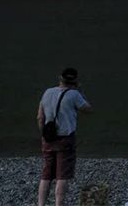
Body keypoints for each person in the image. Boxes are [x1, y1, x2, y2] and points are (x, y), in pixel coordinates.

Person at [36, 67, 91, 206]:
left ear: (60, 78)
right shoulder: (74, 94)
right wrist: (80, 91)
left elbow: (40, 117)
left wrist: (43, 135)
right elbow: (88, 109)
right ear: (75, 81)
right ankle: (59, 204)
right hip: (65, 139)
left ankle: (41, 204)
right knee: (62, 175)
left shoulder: (47, 92)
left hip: (48, 139)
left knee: (46, 174)